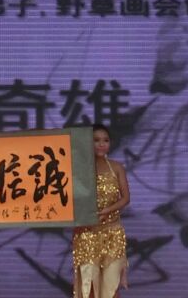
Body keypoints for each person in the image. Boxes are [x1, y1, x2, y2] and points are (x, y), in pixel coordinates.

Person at [73, 124, 130, 298]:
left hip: (112, 233)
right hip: (87, 233)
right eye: (96, 140)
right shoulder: (79, 169)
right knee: (89, 286)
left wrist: (108, 210)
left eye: (105, 140)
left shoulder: (117, 167)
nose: (101, 144)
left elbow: (125, 198)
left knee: (111, 287)